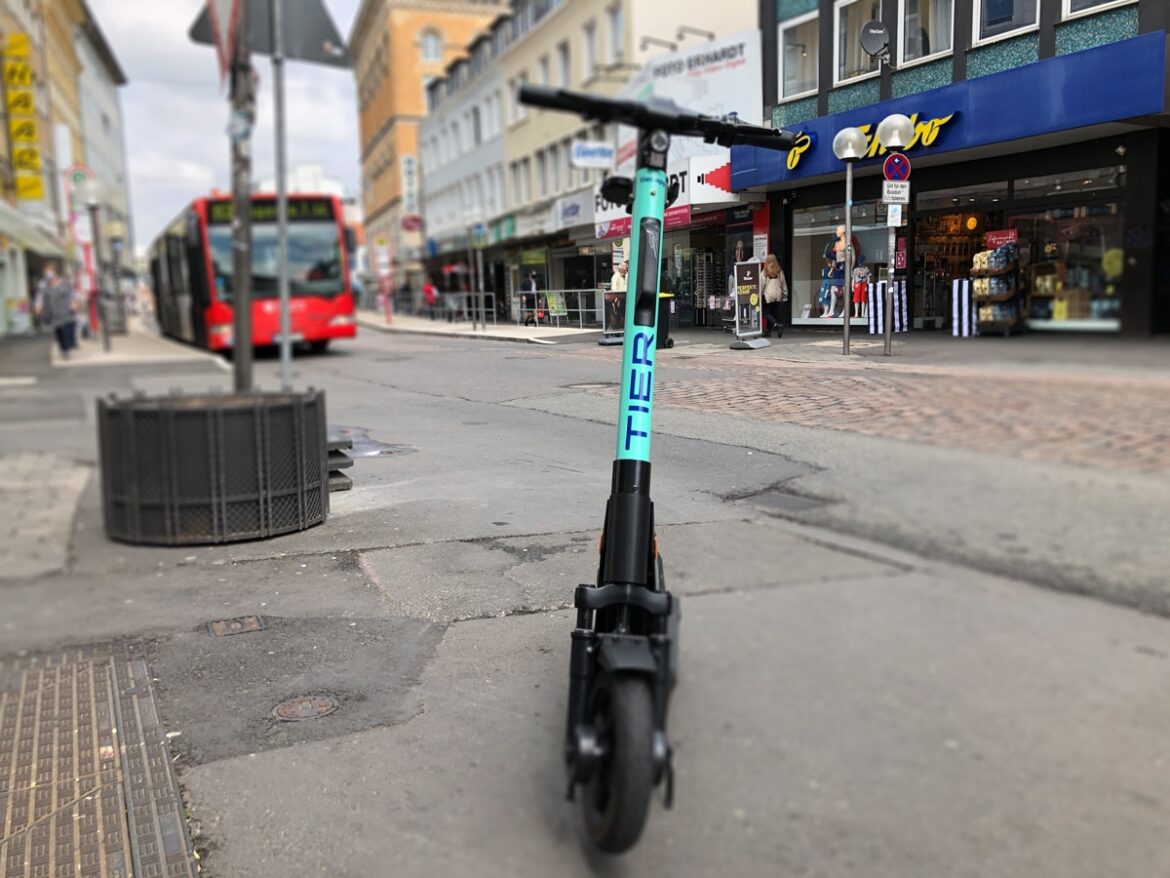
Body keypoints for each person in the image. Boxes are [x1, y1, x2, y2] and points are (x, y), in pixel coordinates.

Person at [34, 263, 78, 358]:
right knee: (58, 330)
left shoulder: (63, 281)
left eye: (49, 271)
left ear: (55, 272)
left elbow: (71, 293)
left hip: (64, 309)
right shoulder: (43, 283)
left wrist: (73, 303)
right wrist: (38, 305)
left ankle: (66, 350)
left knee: (65, 329)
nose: (48, 274)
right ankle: (62, 348)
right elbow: (40, 296)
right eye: (46, 272)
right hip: (52, 310)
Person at [761, 253, 788, 338]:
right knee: (771, 313)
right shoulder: (779, 271)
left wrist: (759, 295)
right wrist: (784, 295)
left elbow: (762, 285)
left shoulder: (765, 271)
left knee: (765, 313)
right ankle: (768, 331)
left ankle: (777, 326)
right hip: (777, 295)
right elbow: (783, 284)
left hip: (768, 295)